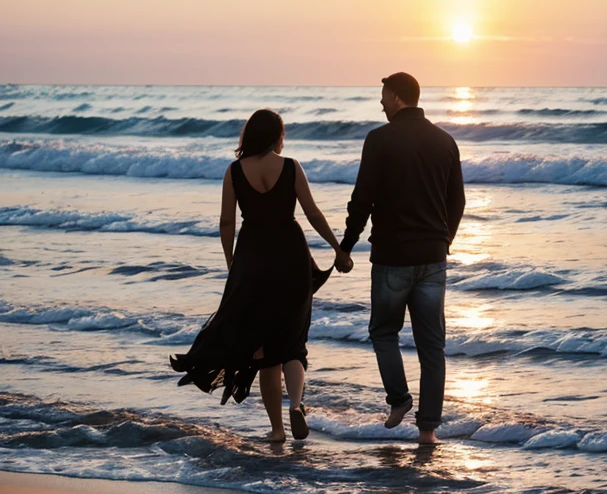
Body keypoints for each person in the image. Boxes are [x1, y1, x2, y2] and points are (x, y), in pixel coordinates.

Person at [170, 109, 351, 442]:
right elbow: (311, 212)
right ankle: (296, 405)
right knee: (293, 344)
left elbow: (226, 223)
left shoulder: (235, 171)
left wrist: (232, 265)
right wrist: (338, 249)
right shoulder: (291, 166)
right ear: (275, 137)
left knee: (266, 353)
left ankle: (278, 430)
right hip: (292, 259)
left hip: (254, 260)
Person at [335, 73, 465, 445]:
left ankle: (400, 399)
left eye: (383, 96)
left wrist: (346, 245)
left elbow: (363, 200)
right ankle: (428, 431)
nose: (380, 103)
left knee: (383, 332)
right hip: (432, 256)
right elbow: (457, 202)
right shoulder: (445, 141)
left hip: (392, 256)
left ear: (395, 97)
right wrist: (445, 240)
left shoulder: (379, 140)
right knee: (431, 346)